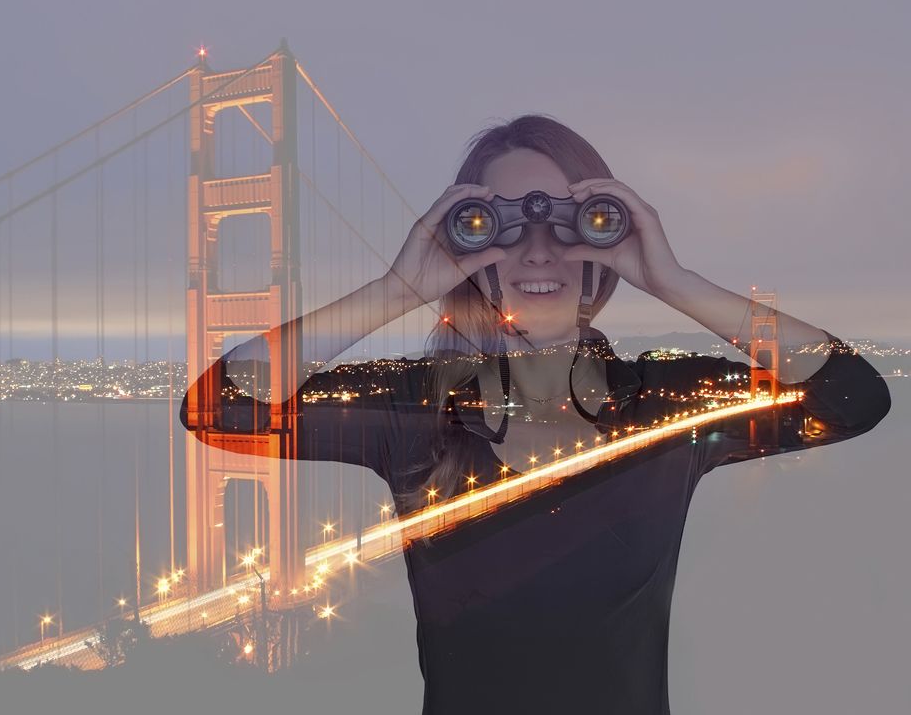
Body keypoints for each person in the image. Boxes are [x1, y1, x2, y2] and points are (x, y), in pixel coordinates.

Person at [181, 115, 891, 714]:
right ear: (468, 246)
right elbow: (218, 407)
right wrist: (398, 288)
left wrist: (669, 279)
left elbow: (854, 397)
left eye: (576, 219)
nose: (539, 247)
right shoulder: (415, 411)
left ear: (608, 235)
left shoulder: (669, 403)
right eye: (499, 224)